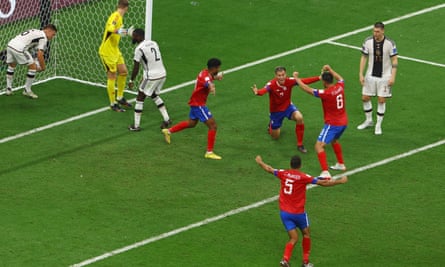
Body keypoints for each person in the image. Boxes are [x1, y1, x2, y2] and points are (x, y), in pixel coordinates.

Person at [255, 155, 347, 267]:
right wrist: (340, 181)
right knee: (306, 234)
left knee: (293, 238)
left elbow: (269, 169)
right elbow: (323, 183)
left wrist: (260, 162)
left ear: (290, 164)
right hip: (299, 213)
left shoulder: (283, 173)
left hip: (284, 213)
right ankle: (306, 262)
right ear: (300, 165)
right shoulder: (303, 177)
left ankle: (285, 260)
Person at [161, 58, 223, 160]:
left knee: (191, 123)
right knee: (213, 126)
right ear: (214, 68)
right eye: (218, 67)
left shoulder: (204, 72)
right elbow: (208, 82)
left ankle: (168, 131)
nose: (219, 69)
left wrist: (216, 78)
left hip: (195, 103)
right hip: (199, 105)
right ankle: (209, 152)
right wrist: (212, 87)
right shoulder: (206, 77)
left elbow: (208, 79)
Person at [294, 65, 348, 178]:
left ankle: (325, 172)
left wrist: (297, 79)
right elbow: (341, 78)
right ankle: (341, 164)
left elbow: (308, 90)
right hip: (343, 122)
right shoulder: (340, 86)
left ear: (324, 81)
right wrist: (331, 69)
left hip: (333, 124)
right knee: (334, 140)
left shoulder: (326, 93)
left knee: (318, 146)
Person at [252, 67, 320, 153]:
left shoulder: (290, 81)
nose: (281, 77)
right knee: (275, 137)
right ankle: (271, 125)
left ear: (286, 74)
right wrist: (257, 92)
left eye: (283, 75)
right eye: (279, 75)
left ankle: (300, 145)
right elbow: (264, 91)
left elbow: (303, 81)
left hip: (288, 107)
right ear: (276, 76)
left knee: (299, 117)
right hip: (276, 112)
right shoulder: (271, 84)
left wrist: (319, 78)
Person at [357, 22, 398, 135]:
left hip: (385, 76)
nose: (375, 33)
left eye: (377, 31)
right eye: (374, 31)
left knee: (381, 100)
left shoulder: (390, 43)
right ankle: (369, 120)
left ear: (383, 31)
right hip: (370, 75)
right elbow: (364, 57)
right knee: (365, 98)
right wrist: (361, 73)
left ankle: (378, 125)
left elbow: (394, 60)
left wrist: (393, 76)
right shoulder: (368, 41)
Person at [128, 28, 171, 131]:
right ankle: (167, 119)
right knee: (153, 94)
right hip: (162, 74)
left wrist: (131, 80)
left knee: (140, 97)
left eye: (134, 35)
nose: (132, 37)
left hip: (152, 76)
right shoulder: (153, 43)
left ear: (139, 36)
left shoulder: (139, 49)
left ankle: (136, 126)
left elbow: (136, 67)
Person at [5, 24, 57, 99]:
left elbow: (32, 47)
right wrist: (43, 67)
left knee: (12, 65)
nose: (52, 37)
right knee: (32, 68)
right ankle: (27, 90)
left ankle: (8, 89)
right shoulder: (43, 37)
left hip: (10, 45)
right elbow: (40, 55)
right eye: (53, 34)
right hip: (20, 48)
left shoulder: (35, 31)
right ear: (49, 30)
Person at [99, 0, 133, 112]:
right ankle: (113, 103)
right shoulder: (116, 16)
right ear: (126, 8)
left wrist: (125, 31)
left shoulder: (119, 17)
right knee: (112, 75)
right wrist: (118, 31)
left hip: (115, 50)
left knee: (123, 72)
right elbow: (109, 28)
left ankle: (120, 97)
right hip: (107, 52)